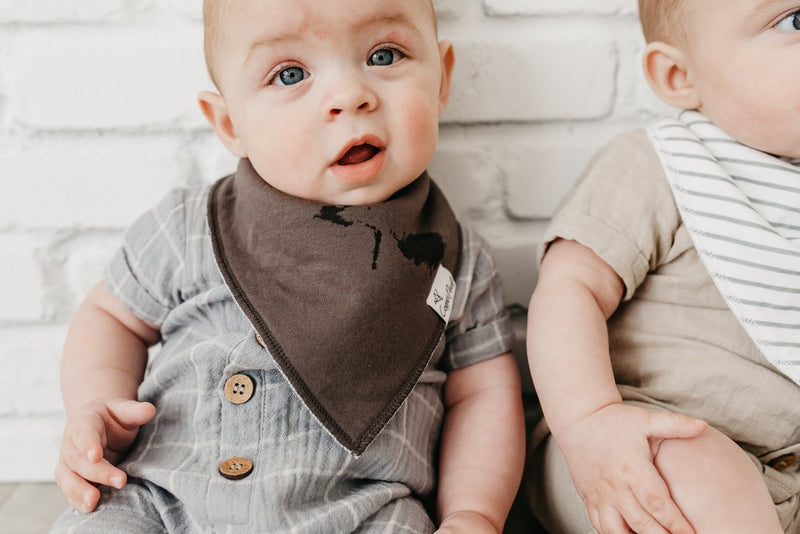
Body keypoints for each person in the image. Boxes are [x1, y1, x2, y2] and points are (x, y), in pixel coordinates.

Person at [50, 0, 525, 532]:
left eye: (384, 55)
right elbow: (112, 316)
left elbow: (482, 394)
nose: (350, 95)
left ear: (441, 81)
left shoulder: (455, 258)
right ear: (231, 124)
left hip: (361, 511)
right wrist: (95, 404)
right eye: (291, 73)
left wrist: (472, 513)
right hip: (163, 496)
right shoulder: (190, 226)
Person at [526, 0, 800, 532]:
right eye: (796, 20)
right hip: (637, 443)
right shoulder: (662, 163)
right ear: (679, 76)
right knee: (693, 472)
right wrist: (592, 423)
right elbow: (569, 289)